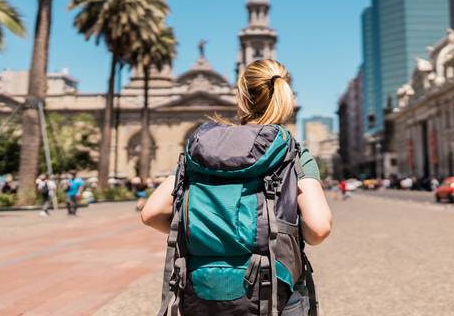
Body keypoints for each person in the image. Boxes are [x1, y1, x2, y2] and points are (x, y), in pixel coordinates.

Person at [141, 59, 332, 315]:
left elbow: (151, 213)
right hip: (276, 290)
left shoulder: (203, 149)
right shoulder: (292, 152)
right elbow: (318, 229)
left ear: (241, 96)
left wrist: (205, 237)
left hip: (203, 290)